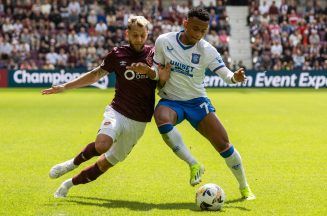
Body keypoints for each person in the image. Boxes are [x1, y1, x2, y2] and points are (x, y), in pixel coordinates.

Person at [128, 7, 256, 200]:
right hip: (171, 100)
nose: (198, 34)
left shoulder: (207, 50)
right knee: (161, 117)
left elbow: (227, 75)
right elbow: (157, 71)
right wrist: (149, 72)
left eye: (203, 31)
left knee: (224, 145)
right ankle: (193, 163)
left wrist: (236, 78)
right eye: (195, 28)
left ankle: (244, 187)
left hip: (197, 102)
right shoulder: (164, 41)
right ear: (185, 23)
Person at [41, 16, 169, 198]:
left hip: (139, 121)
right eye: (135, 35)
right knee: (102, 145)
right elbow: (95, 75)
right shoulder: (117, 54)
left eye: (142, 35)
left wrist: (159, 76)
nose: (139, 39)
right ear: (127, 34)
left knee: (105, 163)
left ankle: (68, 184)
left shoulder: (156, 55)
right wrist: (65, 86)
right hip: (117, 111)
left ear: (148, 33)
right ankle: (72, 164)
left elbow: (162, 84)